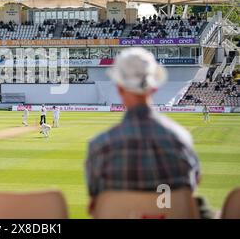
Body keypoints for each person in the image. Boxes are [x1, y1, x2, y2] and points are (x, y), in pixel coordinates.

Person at [85, 47, 201, 216]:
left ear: (119, 87)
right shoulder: (181, 140)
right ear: (154, 88)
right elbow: (189, 190)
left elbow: (96, 205)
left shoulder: (100, 146)